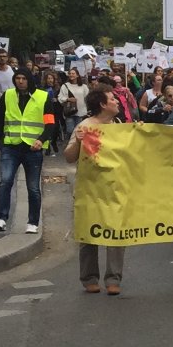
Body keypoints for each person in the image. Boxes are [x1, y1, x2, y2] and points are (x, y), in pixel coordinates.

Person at [64, 84, 126, 295]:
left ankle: (113, 279)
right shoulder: (85, 126)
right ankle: (89, 277)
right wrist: (77, 143)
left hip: (114, 188)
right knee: (89, 234)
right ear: (102, 104)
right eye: (112, 99)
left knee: (117, 233)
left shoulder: (119, 125)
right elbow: (69, 157)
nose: (117, 102)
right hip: (89, 189)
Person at [0, 68, 54, 234]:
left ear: (29, 80)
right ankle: (1, 218)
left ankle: (32, 222)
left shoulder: (43, 96)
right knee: (5, 182)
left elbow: (50, 124)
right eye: (17, 78)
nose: (20, 81)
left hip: (33, 148)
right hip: (11, 146)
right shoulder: (8, 95)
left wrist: (41, 140)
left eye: (23, 78)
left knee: (33, 187)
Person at [58, 67, 89, 135]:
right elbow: (60, 97)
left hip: (81, 111)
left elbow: (88, 97)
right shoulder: (65, 86)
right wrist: (68, 99)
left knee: (79, 130)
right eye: (70, 73)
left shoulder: (84, 86)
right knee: (70, 131)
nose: (71, 75)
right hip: (69, 112)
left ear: (77, 75)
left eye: (73, 73)